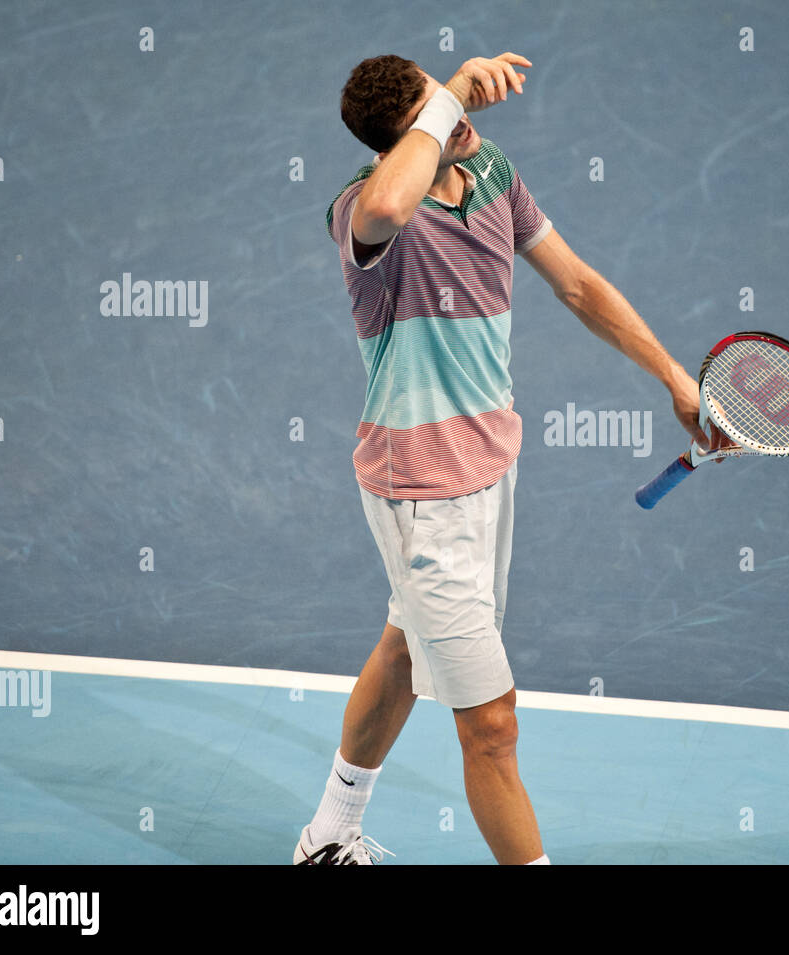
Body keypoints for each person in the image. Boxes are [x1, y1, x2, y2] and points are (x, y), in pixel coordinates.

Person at [295, 51, 718, 865]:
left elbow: (578, 285)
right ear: (404, 137)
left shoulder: (490, 174)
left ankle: (327, 835)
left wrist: (673, 376)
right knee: (491, 724)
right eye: (435, 110)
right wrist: (447, 95)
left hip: (490, 470)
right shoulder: (366, 211)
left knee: (404, 642)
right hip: (419, 488)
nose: (463, 118)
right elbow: (391, 193)